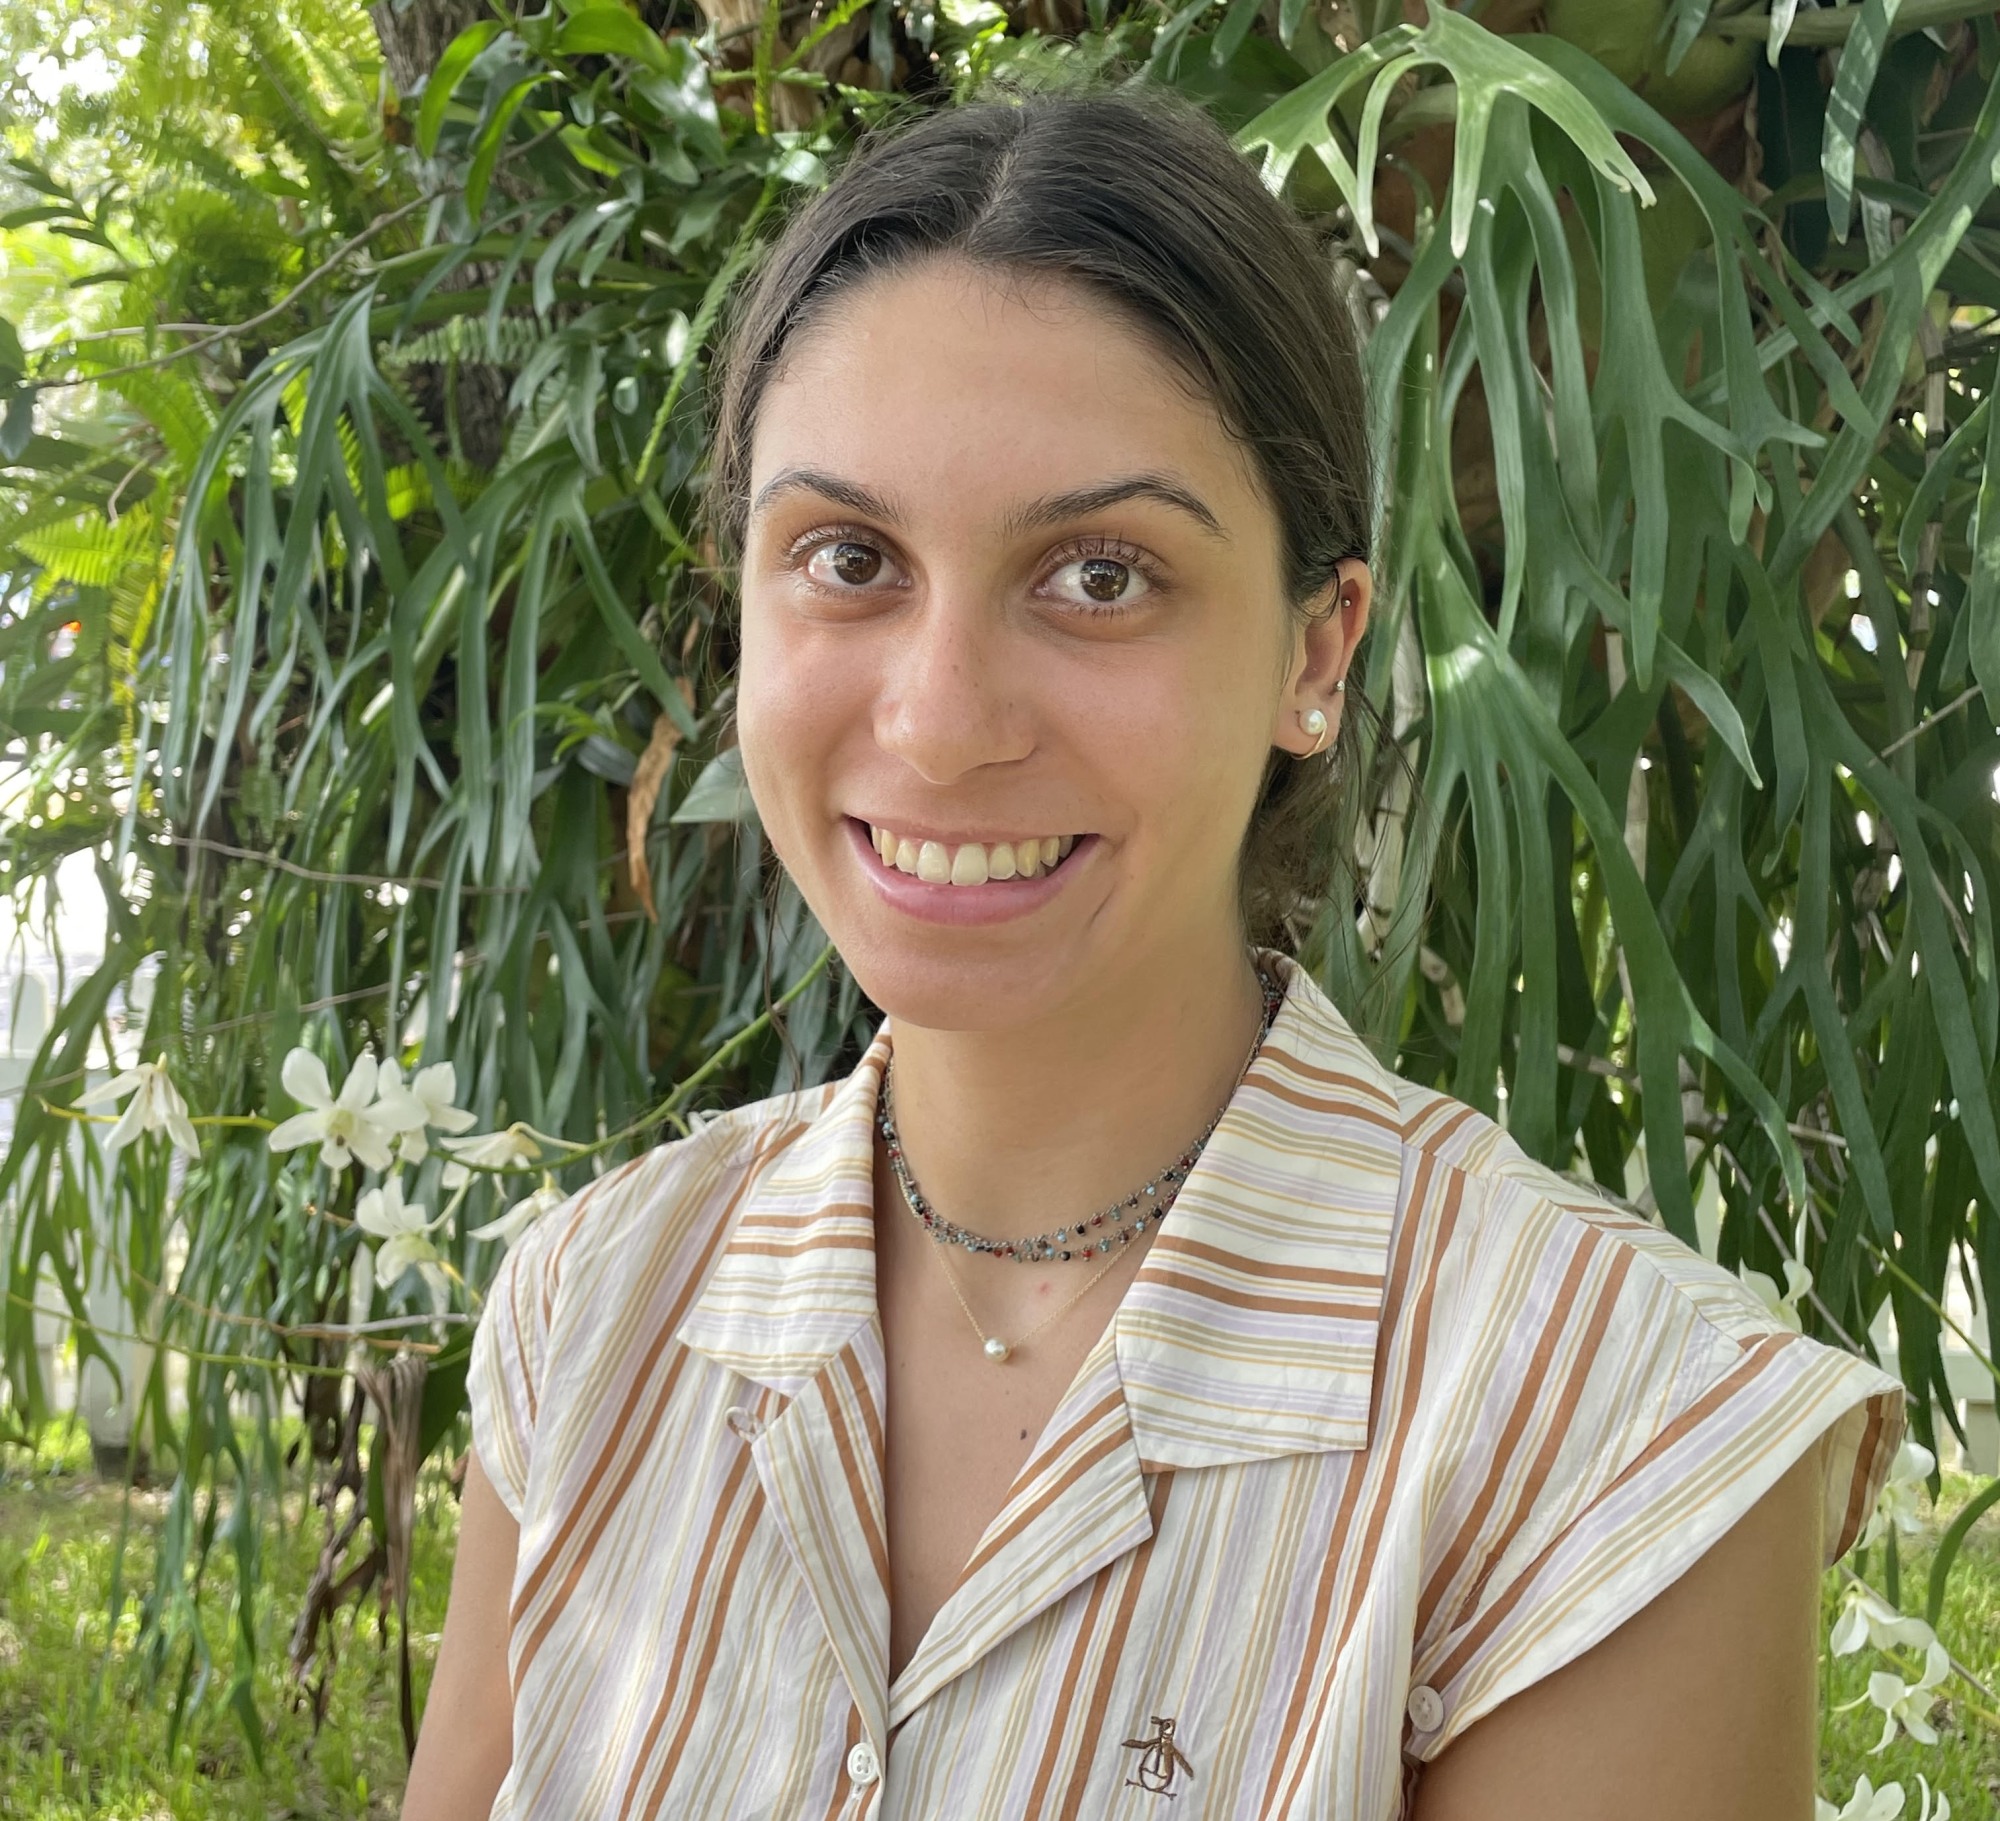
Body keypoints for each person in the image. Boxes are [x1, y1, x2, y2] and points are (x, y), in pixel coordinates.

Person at [402, 89, 1905, 1821]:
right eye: (848, 558)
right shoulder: (594, 1314)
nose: (943, 719)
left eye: (1100, 575)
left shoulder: (1612, 1439)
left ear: (1314, 651)